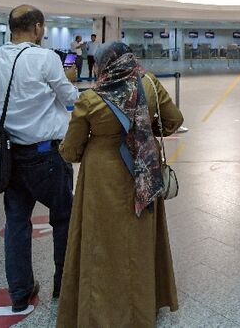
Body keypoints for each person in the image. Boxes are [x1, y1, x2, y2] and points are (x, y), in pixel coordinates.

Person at [56, 42, 183, 327]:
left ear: (102, 65)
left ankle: (101, 309)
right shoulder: (149, 85)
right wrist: (145, 132)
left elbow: (71, 150)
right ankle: (143, 305)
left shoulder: (91, 98)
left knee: (100, 241)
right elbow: (174, 120)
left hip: (103, 177)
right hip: (144, 172)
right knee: (139, 237)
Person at [0, 5, 79, 312]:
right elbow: (71, 99)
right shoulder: (45, 58)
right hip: (46, 156)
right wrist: (69, 78)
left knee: (17, 223)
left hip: (9, 157)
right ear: (37, 28)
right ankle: (64, 286)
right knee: (63, 219)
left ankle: (20, 292)